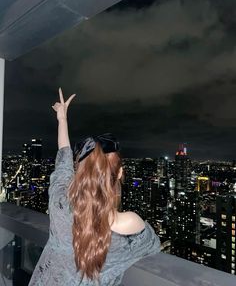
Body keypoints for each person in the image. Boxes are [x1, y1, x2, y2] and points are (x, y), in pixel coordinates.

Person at [28, 88, 161, 286]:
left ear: (79, 174)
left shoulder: (59, 205)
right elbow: (153, 246)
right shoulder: (129, 223)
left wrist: (62, 119)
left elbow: (63, 161)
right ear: (121, 173)